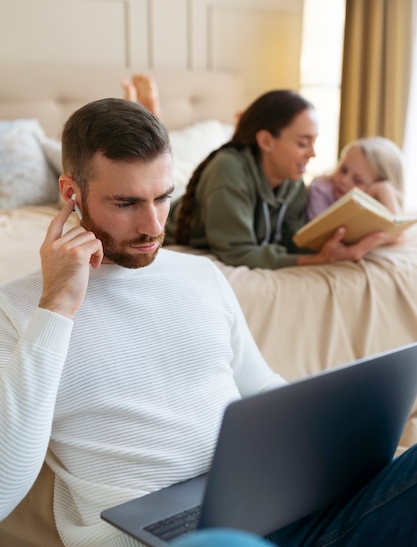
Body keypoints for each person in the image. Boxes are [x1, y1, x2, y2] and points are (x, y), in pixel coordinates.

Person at [2, 97, 417, 547]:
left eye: (163, 197)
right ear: (71, 193)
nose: (152, 225)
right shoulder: (19, 310)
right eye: (126, 203)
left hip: (272, 511)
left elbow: (260, 389)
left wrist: (339, 434)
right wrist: (57, 307)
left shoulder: (200, 275)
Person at [158, 86, 388, 269]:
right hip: (172, 217)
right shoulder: (228, 170)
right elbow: (237, 251)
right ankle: (152, 113)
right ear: (266, 141)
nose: (313, 153)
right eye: (303, 143)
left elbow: (293, 240)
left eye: (313, 142)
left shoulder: (294, 182)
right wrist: (317, 261)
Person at [307, 137, 404, 220]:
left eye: (358, 181)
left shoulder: (380, 196)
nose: (343, 180)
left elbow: (399, 235)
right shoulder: (321, 189)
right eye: (343, 170)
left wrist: (385, 191)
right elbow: (321, 234)